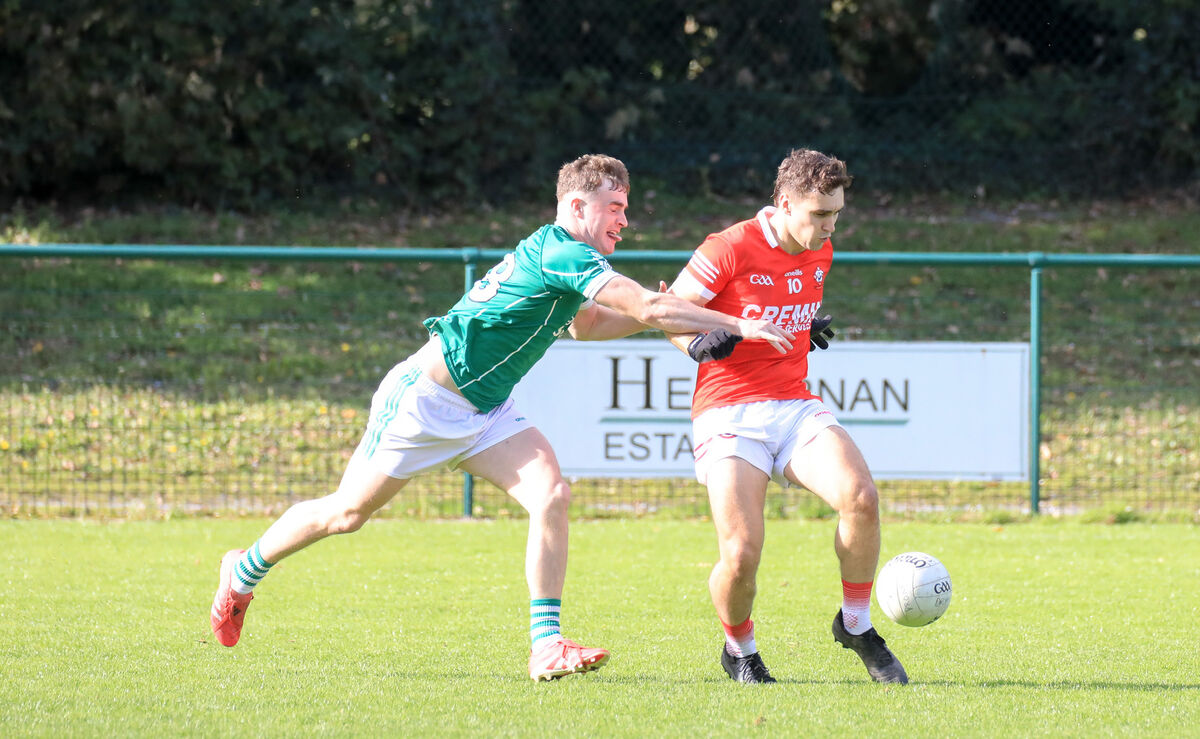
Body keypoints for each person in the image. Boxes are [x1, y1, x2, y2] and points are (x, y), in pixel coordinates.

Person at [208, 154, 795, 682]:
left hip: (487, 410)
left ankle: (546, 647)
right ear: (575, 206)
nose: (623, 220)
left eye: (625, 209)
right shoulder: (564, 249)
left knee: (552, 494)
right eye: (613, 208)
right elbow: (642, 304)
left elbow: (592, 325)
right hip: (425, 402)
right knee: (346, 514)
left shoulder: (568, 259)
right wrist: (733, 323)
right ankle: (243, 571)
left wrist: (670, 319)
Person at [663, 148, 909, 684]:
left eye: (837, 213)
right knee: (743, 552)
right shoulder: (726, 247)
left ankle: (856, 625)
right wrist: (695, 345)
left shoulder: (821, 250)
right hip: (727, 409)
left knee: (861, 499)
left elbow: (784, 301)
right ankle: (740, 649)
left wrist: (806, 324)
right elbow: (669, 310)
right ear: (784, 203)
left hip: (793, 403)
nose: (829, 226)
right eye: (819, 215)